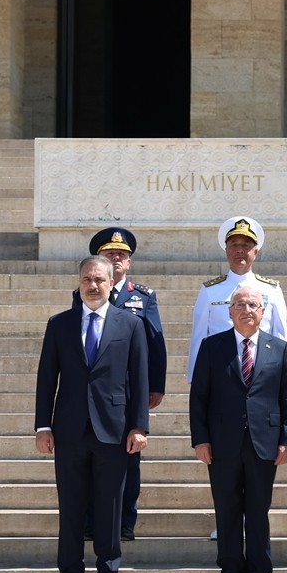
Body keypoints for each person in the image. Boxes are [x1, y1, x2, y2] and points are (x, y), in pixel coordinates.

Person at [35, 255, 149, 573]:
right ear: (79, 282)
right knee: (70, 508)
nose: (93, 285)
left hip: (113, 431)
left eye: (99, 279)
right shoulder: (60, 324)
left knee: (110, 507)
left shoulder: (129, 324)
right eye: (87, 279)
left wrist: (139, 426)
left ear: (110, 282)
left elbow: (140, 379)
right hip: (69, 430)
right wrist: (43, 425)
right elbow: (46, 379)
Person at [189, 285, 287, 573]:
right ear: (229, 311)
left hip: (264, 444)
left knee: (258, 513)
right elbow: (199, 398)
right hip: (222, 445)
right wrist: (201, 439)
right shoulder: (212, 347)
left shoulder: (279, 348)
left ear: (263, 311)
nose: (247, 309)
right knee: (227, 513)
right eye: (240, 304)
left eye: (253, 304)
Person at [73, 227, 166, 541]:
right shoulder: (83, 294)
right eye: (109, 254)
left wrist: (155, 387)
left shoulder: (142, 297)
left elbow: (155, 344)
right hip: (92, 394)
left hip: (126, 395)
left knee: (128, 461)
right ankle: (89, 522)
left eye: (121, 255)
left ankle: (125, 521)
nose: (116, 258)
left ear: (128, 262)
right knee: (87, 464)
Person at [186, 216, 287, 382]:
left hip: (261, 370)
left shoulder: (272, 290)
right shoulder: (210, 290)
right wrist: (195, 377)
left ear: (255, 252)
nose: (240, 250)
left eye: (246, 245)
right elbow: (199, 337)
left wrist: (283, 377)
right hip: (220, 370)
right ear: (226, 250)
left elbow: (280, 337)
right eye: (234, 245)